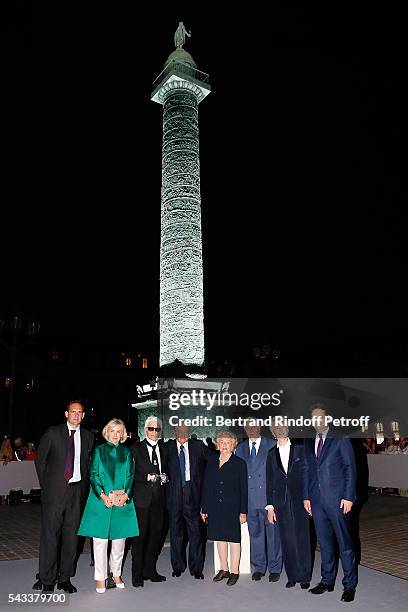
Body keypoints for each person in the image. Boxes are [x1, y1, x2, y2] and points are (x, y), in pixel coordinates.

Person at [35, 400, 95, 593]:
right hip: (54, 494)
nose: (76, 415)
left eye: (80, 412)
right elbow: (40, 462)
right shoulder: (53, 433)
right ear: (66, 413)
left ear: (83, 416)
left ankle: (65, 578)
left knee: (71, 537)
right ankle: (47, 580)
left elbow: (86, 465)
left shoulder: (88, 437)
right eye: (73, 411)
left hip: (76, 493)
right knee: (50, 536)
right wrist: (48, 488)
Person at [302, 404, 357, 603]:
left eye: (320, 417)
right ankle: (327, 580)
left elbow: (349, 468)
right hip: (316, 502)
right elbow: (307, 470)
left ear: (328, 418)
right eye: (313, 418)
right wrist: (306, 497)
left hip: (338, 500)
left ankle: (349, 585)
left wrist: (349, 496)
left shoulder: (340, 438)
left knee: (345, 544)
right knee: (325, 544)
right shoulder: (309, 441)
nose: (316, 421)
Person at [78, 418, 138, 593]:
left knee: (120, 542)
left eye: (119, 431)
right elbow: (93, 474)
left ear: (123, 434)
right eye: (112, 431)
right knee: (100, 542)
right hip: (101, 502)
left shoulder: (127, 452)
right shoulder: (99, 450)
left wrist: (126, 495)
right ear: (107, 432)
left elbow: (130, 476)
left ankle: (116, 574)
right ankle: (100, 577)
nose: (115, 435)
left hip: (121, 502)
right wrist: (102, 495)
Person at [266, 419, 311, 589]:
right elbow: (269, 482)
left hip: (300, 500)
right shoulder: (271, 454)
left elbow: (307, 475)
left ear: (288, 428)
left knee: (302, 537)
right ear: (272, 432)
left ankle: (305, 575)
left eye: (282, 426)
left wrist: (308, 498)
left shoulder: (300, 449)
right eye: (276, 427)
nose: (279, 429)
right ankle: (292, 576)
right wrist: (270, 507)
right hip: (280, 503)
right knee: (286, 539)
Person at [236, 421, 282, 582]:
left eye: (255, 427)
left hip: (268, 499)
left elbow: (278, 475)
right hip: (249, 500)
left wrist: (275, 502)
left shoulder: (273, 445)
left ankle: (275, 567)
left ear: (260, 428)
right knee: (255, 535)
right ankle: (259, 567)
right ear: (245, 429)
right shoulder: (240, 449)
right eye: (249, 427)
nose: (252, 429)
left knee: (273, 535)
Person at [201, 430, 248, 586]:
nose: (224, 445)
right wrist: (204, 508)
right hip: (215, 507)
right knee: (220, 538)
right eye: (221, 442)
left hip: (232, 508)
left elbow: (243, 489)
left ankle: (234, 571)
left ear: (233, 444)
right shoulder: (211, 461)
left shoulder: (239, 463)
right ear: (217, 444)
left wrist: (243, 510)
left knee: (234, 540)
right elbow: (206, 486)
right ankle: (224, 569)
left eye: (228, 442)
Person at [166, 425, 211, 580]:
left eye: (185, 430)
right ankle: (177, 567)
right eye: (179, 430)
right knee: (176, 534)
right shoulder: (168, 448)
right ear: (174, 432)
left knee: (196, 534)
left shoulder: (198, 446)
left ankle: (197, 569)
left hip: (193, 495)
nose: (182, 433)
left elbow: (212, 460)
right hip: (174, 497)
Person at [130, 416, 168, 587]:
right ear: (145, 430)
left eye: (157, 429)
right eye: (151, 429)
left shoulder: (165, 449)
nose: (154, 432)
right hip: (141, 501)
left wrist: (166, 477)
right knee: (139, 539)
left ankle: (150, 570)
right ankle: (137, 575)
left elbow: (167, 470)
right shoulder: (135, 449)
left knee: (155, 537)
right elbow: (129, 474)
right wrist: (146, 477)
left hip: (159, 501)